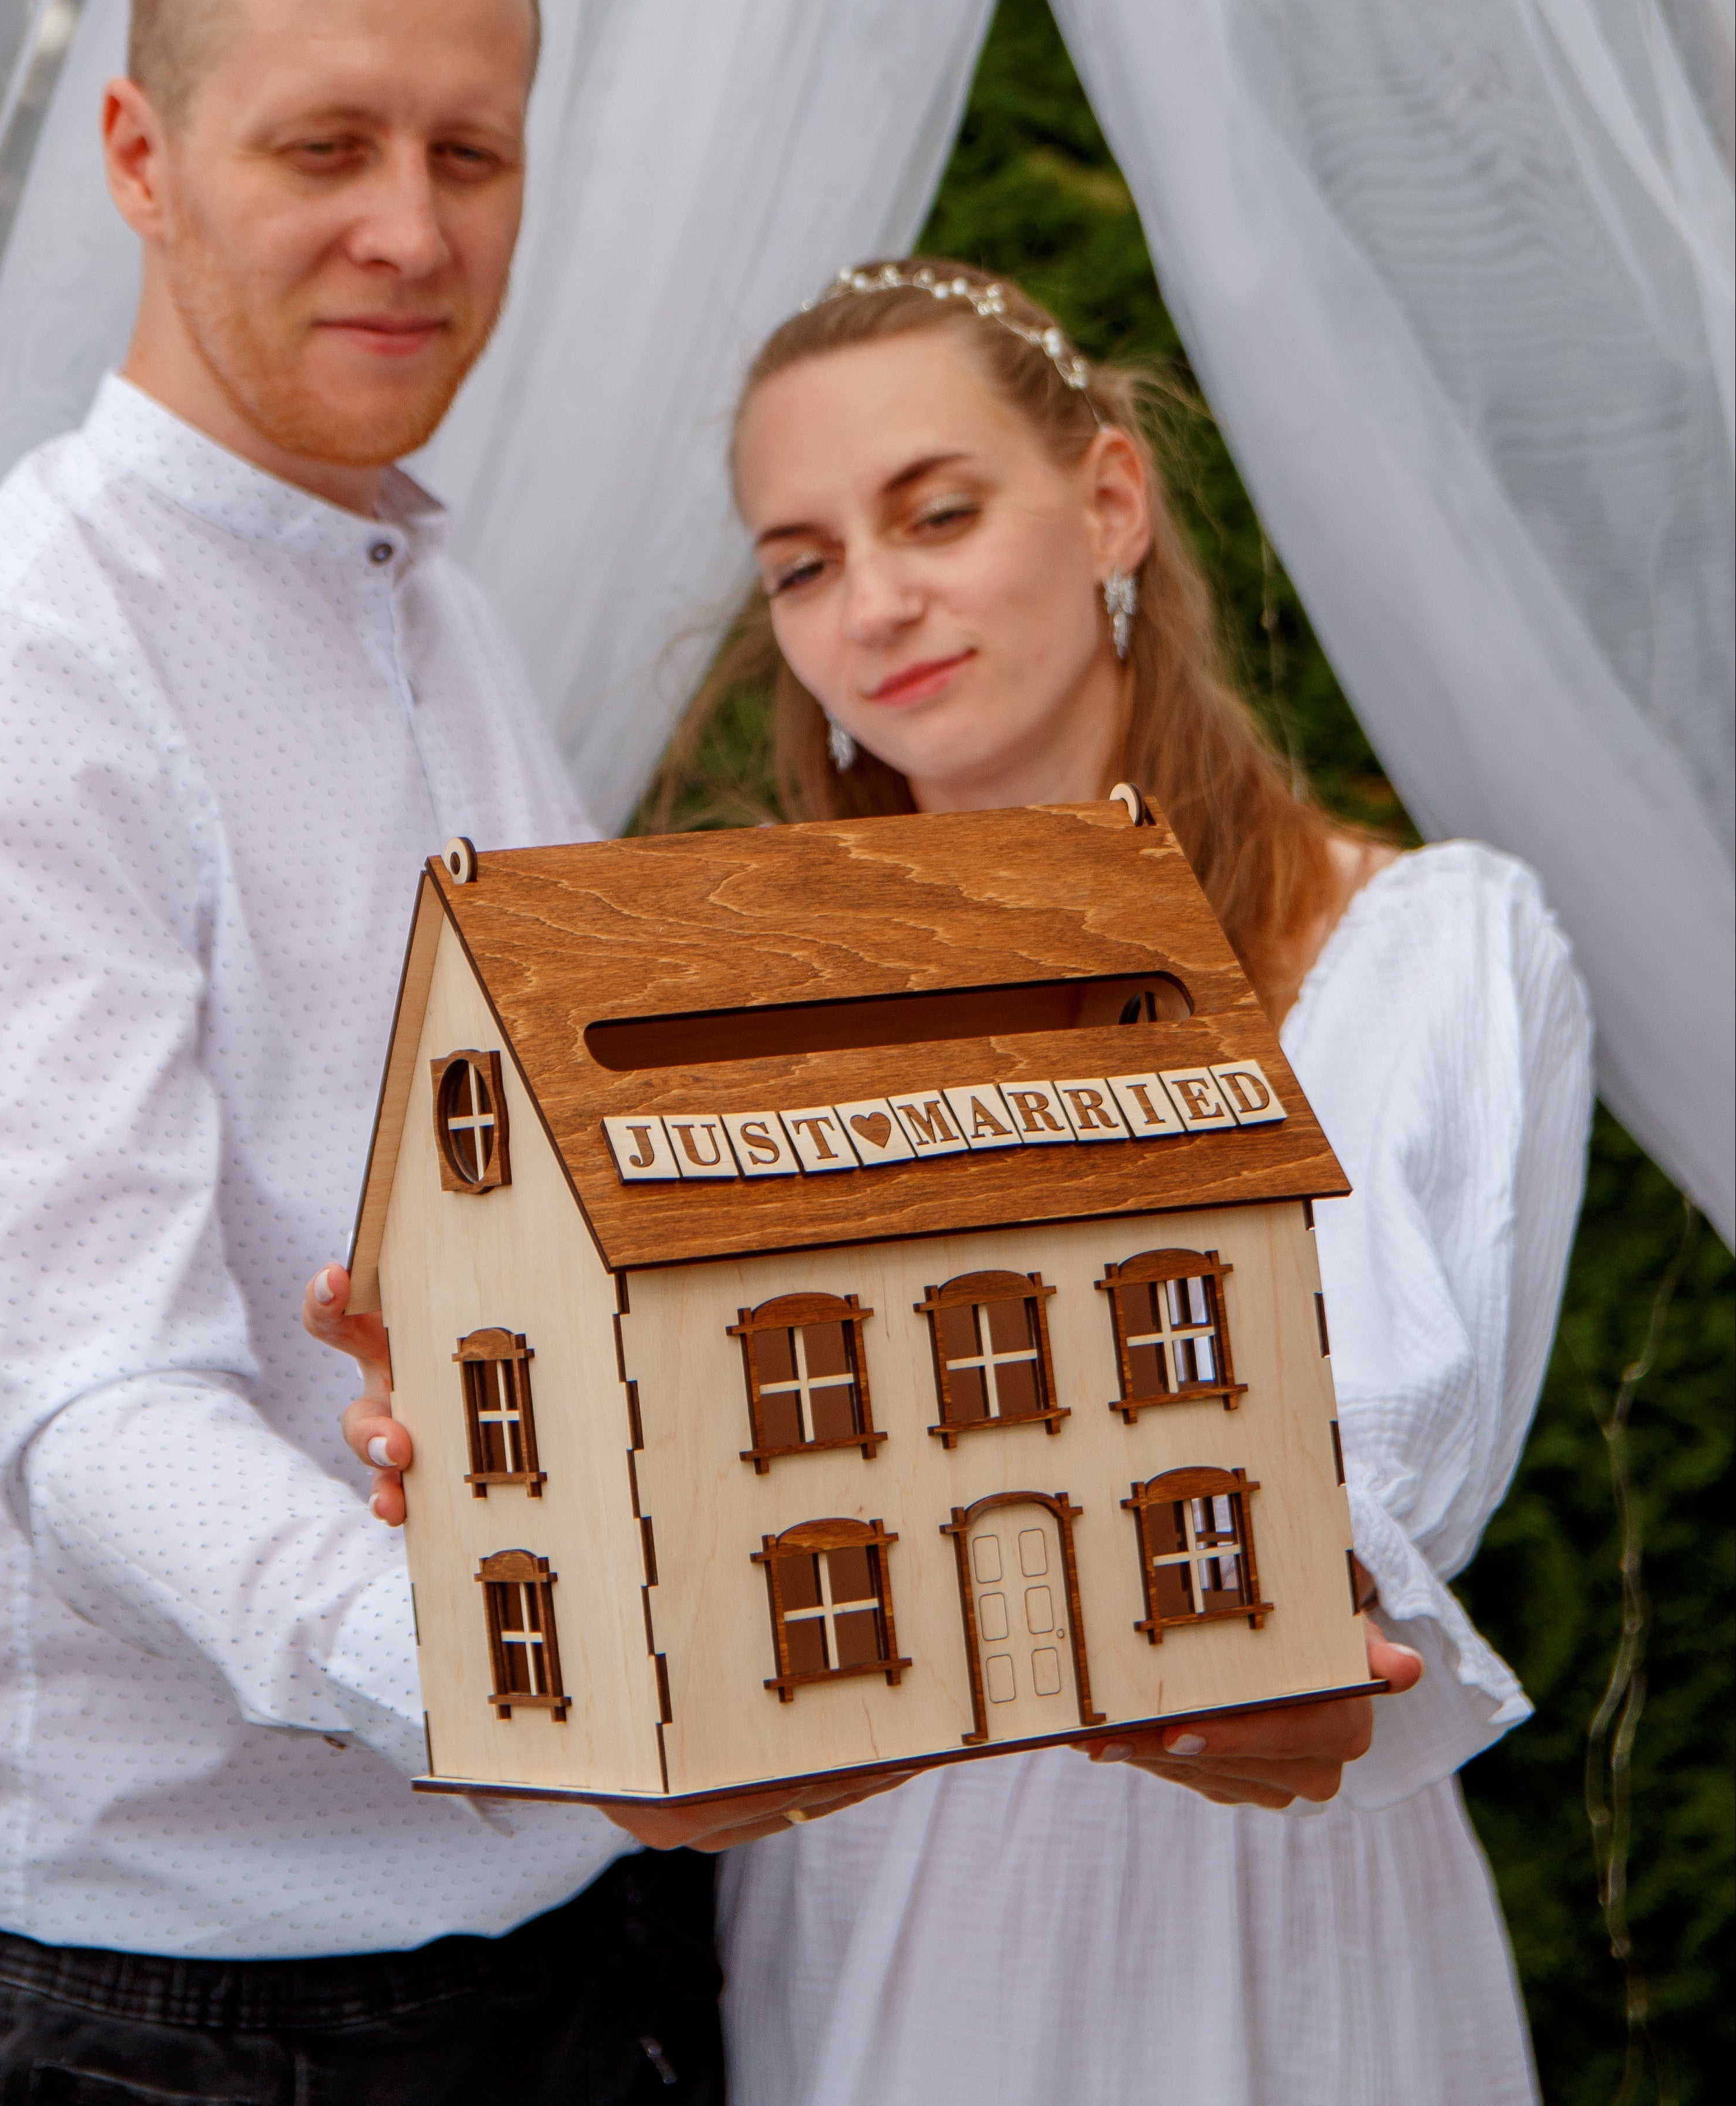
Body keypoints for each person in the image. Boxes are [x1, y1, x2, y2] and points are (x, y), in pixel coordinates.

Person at [316, 257, 1592, 2103]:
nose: (876, 603)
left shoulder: (1429, 951)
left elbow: (1381, 1474)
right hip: (866, 1889)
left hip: (1255, 1896)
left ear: (1104, 503)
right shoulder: (711, 1018)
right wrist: (488, 1398)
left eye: (935, 511)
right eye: (804, 562)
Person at [0, 0, 788, 2106]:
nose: (410, 229)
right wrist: (558, 1686)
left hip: (572, 1937)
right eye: (321, 143)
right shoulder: (14, 675)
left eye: (474, 151)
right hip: (168, 2016)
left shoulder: (435, 610)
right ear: (139, 156)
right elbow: (90, 1407)